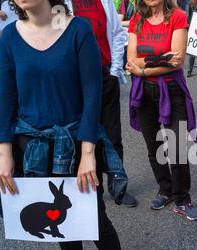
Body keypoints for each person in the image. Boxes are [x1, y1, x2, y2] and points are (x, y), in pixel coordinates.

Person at [0, 0, 135, 250]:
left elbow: (92, 93)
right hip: (32, 146)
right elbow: (7, 96)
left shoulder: (77, 29)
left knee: (92, 211)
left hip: (74, 142)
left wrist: (87, 154)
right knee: (55, 215)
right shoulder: (10, 37)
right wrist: (4, 152)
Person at [126, 0, 197, 221]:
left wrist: (143, 69)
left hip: (171, 89)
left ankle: (182, 198)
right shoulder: (136, 20)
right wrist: (161, 60)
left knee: (177, 146)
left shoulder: (177, 17)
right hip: (143, 91)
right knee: (153, 145)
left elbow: (177, 61)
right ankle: (165, 189)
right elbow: (131, 59)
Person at [67, 0, 138, 207]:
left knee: (113, 135)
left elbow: (117, 34)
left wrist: (114, 69)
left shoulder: (104, 1)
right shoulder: (61, 3)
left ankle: (118, 187)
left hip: (104, 76)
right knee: (80, 137)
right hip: (74, 80)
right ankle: (88, 190)